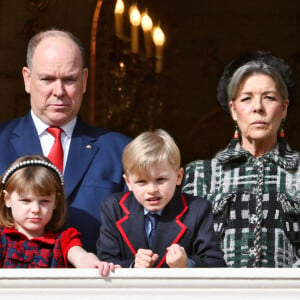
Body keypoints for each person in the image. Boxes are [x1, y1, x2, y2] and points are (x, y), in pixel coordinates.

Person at [0, 29, 131, 253]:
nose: (59, 91)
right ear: (27, 79)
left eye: (69, 79)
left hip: (100, 283)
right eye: (47, 79)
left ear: (84, 80)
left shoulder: (121, 151)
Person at [182, 51, 300, 267]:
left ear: (284, 109)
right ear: (233, 110)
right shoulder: (200, 175)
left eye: (269, 98)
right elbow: (183, 249)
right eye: (246, 98)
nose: (258, 108)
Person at [96, 129, 226, 268]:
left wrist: (186, 264)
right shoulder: (114, 208)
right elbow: (105, 262)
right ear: (128, 182)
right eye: (141, 182)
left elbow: (216, 264)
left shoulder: (197, 210)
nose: (152, 190)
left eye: (160, 180)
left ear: (178, 177)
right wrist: (133, 266)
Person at [0, 155, 118, 274]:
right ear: (7, 199)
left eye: (44, 201)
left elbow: (80, 257)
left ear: (55, 202)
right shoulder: (2, 238)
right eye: (26, 201)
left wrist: (94, 264)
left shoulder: (64, 240)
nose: (35, 209)